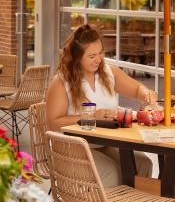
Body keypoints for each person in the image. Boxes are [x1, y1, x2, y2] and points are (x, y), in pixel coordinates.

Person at [46, 24, 157, 187]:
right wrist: (89, 117)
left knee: (143, 164)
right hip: (72, 148)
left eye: (100, 53)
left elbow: (137, 89)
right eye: (91, 56)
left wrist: (147, 94)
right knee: (113, 172)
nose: (98, 59)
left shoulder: (108, 72)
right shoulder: (62, 81)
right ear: (77, 57)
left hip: (106, 143)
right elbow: (53, 122)